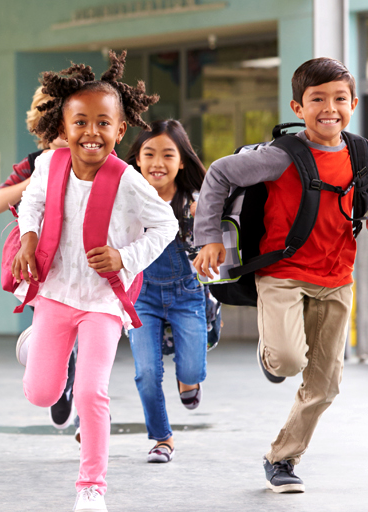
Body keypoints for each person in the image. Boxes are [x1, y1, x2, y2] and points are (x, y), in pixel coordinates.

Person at [191, 57, 368, 493]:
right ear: (297, 107)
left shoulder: (360, 151)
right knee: (287, 360)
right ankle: (271, 354)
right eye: (316, 99)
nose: (329, 108)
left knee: (325, 384)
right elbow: (221, 173)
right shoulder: (281, 156)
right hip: (282, 272)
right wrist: (207, 236)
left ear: (353, 103)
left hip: (337, 276)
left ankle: (282, 459)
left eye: (339, 98)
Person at [11, 51, 174, 512]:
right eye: (80, 122)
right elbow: (32, 205)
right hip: (57, 292)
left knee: (91, 392)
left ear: (120, 131)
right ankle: (35, 347)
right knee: (41, 392)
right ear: (63, 129)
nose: (91, 132)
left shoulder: (130, 182)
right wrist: (27, 239)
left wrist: (125, 256)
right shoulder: (49, 166)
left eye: (104, 123)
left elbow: (166, 228)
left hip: (104, 301)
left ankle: (91, 487)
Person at [122, 119, 208, 464]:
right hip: (141, 296)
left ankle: (189, 383)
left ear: (182, 161)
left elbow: (218, 236)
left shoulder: (195, 201)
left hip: (187, 292)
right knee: (146, 373)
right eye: (149, 154)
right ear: (137, 160)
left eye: (168, 154)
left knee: (190, 371)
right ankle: (162, 438)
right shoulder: (126, 199)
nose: (158, 162)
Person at [0, 86, 78, 430]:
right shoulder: (33, 165)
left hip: (82, 262)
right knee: (60, 338)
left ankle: (89, 414)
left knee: (89, 336)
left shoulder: (89, 158)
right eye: (52, 128)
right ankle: (57, 378)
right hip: (41, 266)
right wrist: (38, 176)